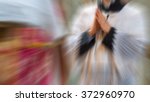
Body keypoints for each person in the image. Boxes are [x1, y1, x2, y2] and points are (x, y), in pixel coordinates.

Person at [66, 0, 148, 84]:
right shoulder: (85, 13)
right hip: (90, 82)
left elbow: (137, 48)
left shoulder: (134, 15)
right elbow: (70, 46)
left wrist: (109, 31)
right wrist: (91, 32)